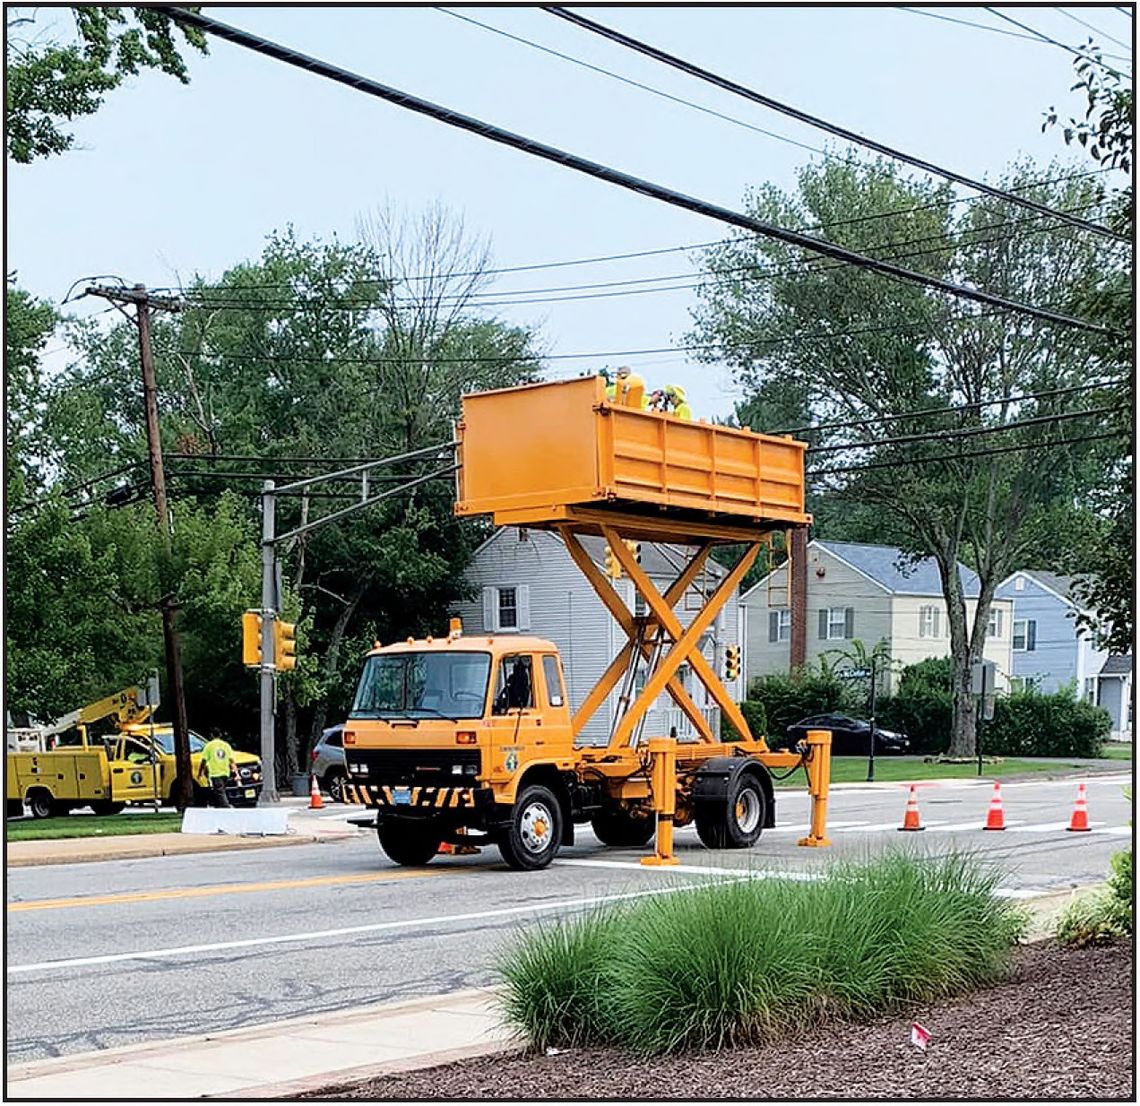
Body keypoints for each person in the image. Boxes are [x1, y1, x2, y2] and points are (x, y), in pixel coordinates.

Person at [198, 728, 236, 808]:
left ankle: (226, 807)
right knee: (218, 791)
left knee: (219, 791)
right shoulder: (226, 745)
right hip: (225, 772)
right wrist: (236, 772)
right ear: (220, 735)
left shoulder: (209, 746)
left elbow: (204, 760)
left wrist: (200, 772)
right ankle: (218, 807)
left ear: (212, 735)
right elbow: (231, 760)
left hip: (215, 773)